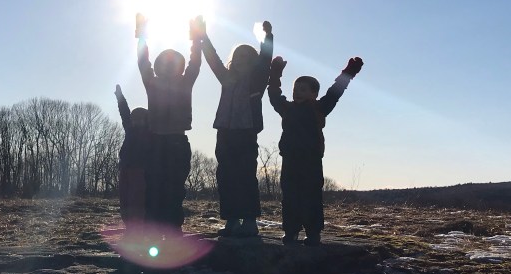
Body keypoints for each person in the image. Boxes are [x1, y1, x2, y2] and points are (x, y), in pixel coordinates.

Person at [268, 54, 363, 245]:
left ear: (314, 94)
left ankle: (313, 233)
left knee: (311, 196)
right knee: (290, 197)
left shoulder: (319, 108)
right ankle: (291, 231)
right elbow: (274, 95)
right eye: (295, 89)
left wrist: (348, 73)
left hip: (311, 160)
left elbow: (335, 92)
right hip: (290, 159)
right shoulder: (287, 108)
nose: (297, 92)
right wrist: (275, 73)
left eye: (303, 89)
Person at [200, 20, 274, 237]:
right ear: (233, 60)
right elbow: (213, 59)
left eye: (247, 56)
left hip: (246, 132)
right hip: (224, 132)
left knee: (246, 176)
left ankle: (250, 221)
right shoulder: (226, 78)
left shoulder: (258, 79)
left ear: (254, 61)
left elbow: (266, 61)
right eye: (238, 56)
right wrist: (203, 36)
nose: (242, 59)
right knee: (226, 177)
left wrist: (267, 38)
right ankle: (231, 220)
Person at [136, 13, 202, 230]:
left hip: (177, 142)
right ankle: (152, 229)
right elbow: (143, 62)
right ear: (157, 67)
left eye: (174, 64)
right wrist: (142, 36)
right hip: (155, 142)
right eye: (164, 63)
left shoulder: (186, 82)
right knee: (153, 187)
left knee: (174, 188)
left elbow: (195, 64)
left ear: (180, 68)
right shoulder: (151, 83)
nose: (168, 67)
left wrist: (196, 39)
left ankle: (173, 228)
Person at [114, 84, 151, 232]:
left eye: (140, 118)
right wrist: (120, 97)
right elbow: (124, 112)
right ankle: (129, 226)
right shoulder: (129, 129)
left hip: (140, 170)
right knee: (124, 199)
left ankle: (138, 227)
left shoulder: (150, 133)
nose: (136, 121)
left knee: (137, 199)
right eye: (134, 118)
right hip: (125, 168)